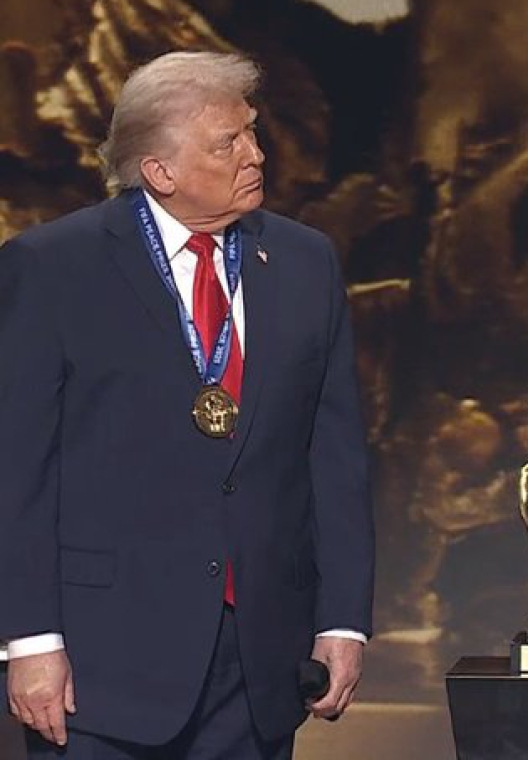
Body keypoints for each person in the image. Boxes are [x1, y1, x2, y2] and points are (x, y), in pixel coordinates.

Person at [0, 51, 375, 759]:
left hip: (259, 663)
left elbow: (336, 458)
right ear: (159, 171)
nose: (255, 154)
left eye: (252, 131)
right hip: (102, 666)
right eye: (228, 143)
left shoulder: (306, 263)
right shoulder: (52, 268)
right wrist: (30, 639)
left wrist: (343, 622)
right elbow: (18, 471)